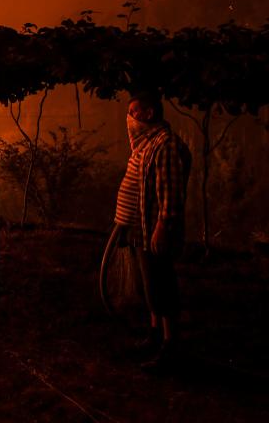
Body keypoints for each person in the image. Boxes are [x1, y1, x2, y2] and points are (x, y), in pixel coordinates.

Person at [114, 90, 192, 371]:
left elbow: (170, 192)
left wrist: (163, 226)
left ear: (149, 113)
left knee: (161, 284)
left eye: (134, 111)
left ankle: (171, 344)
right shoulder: (145, 146)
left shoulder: (164, 144)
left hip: (153, 230)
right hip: (140, 228)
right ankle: (155, 333)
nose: (130, 117)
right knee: (150, 285)